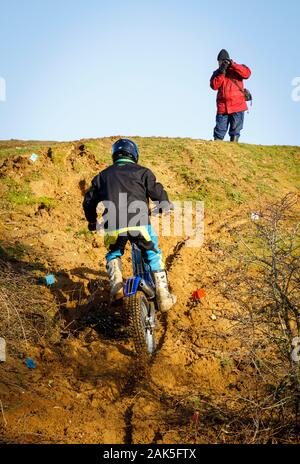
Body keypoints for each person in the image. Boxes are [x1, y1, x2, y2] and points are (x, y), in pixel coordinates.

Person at [83, 138, 177, 312]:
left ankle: (116, 287)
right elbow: (157, 190)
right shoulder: (143, 172)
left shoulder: (102, 176)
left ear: (114, 155)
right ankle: (163, 296)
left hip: (113, 225)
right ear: (134, 155)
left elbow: (89, 200)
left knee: (113, 253)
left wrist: (92, 221)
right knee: (153, 253)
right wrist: (164, 205)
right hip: (139, 223)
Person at [210, 49, 251, 142]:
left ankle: (234, 147)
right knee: (219, 130)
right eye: (220, 62)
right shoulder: (217, 73)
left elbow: (247, 74)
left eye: (223, 61)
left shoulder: (236, 69)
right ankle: (217, 146)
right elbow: (214, 86)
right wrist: (222, 72)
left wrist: (233, 64)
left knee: (235, 130)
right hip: (223, 107)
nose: (221, 63)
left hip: (237, 105)